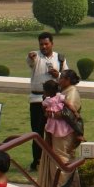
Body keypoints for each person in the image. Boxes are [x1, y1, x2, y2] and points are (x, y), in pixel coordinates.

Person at [26, 32, 68, 171]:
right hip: (37, 100)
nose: (43, 46)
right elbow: (30, 61)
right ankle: (37, 161)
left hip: (54, 101)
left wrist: (58, 75)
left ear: (52, 44)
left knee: (54, 131)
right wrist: (31, 57)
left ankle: (53, 160)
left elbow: (67, 77)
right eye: (41, 44)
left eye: (46, 44)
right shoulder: (35, 56)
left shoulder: (60, 58)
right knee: (37, 132)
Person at [38, 70, 82, 187]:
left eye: (61, 78)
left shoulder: (72, 92)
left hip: (64, 133)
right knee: (59, 158)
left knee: (61, 159)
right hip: (58, 132)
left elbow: (66, 113)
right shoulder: (64, 91)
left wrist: (49, 113)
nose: (59, 80)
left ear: (68, 80)